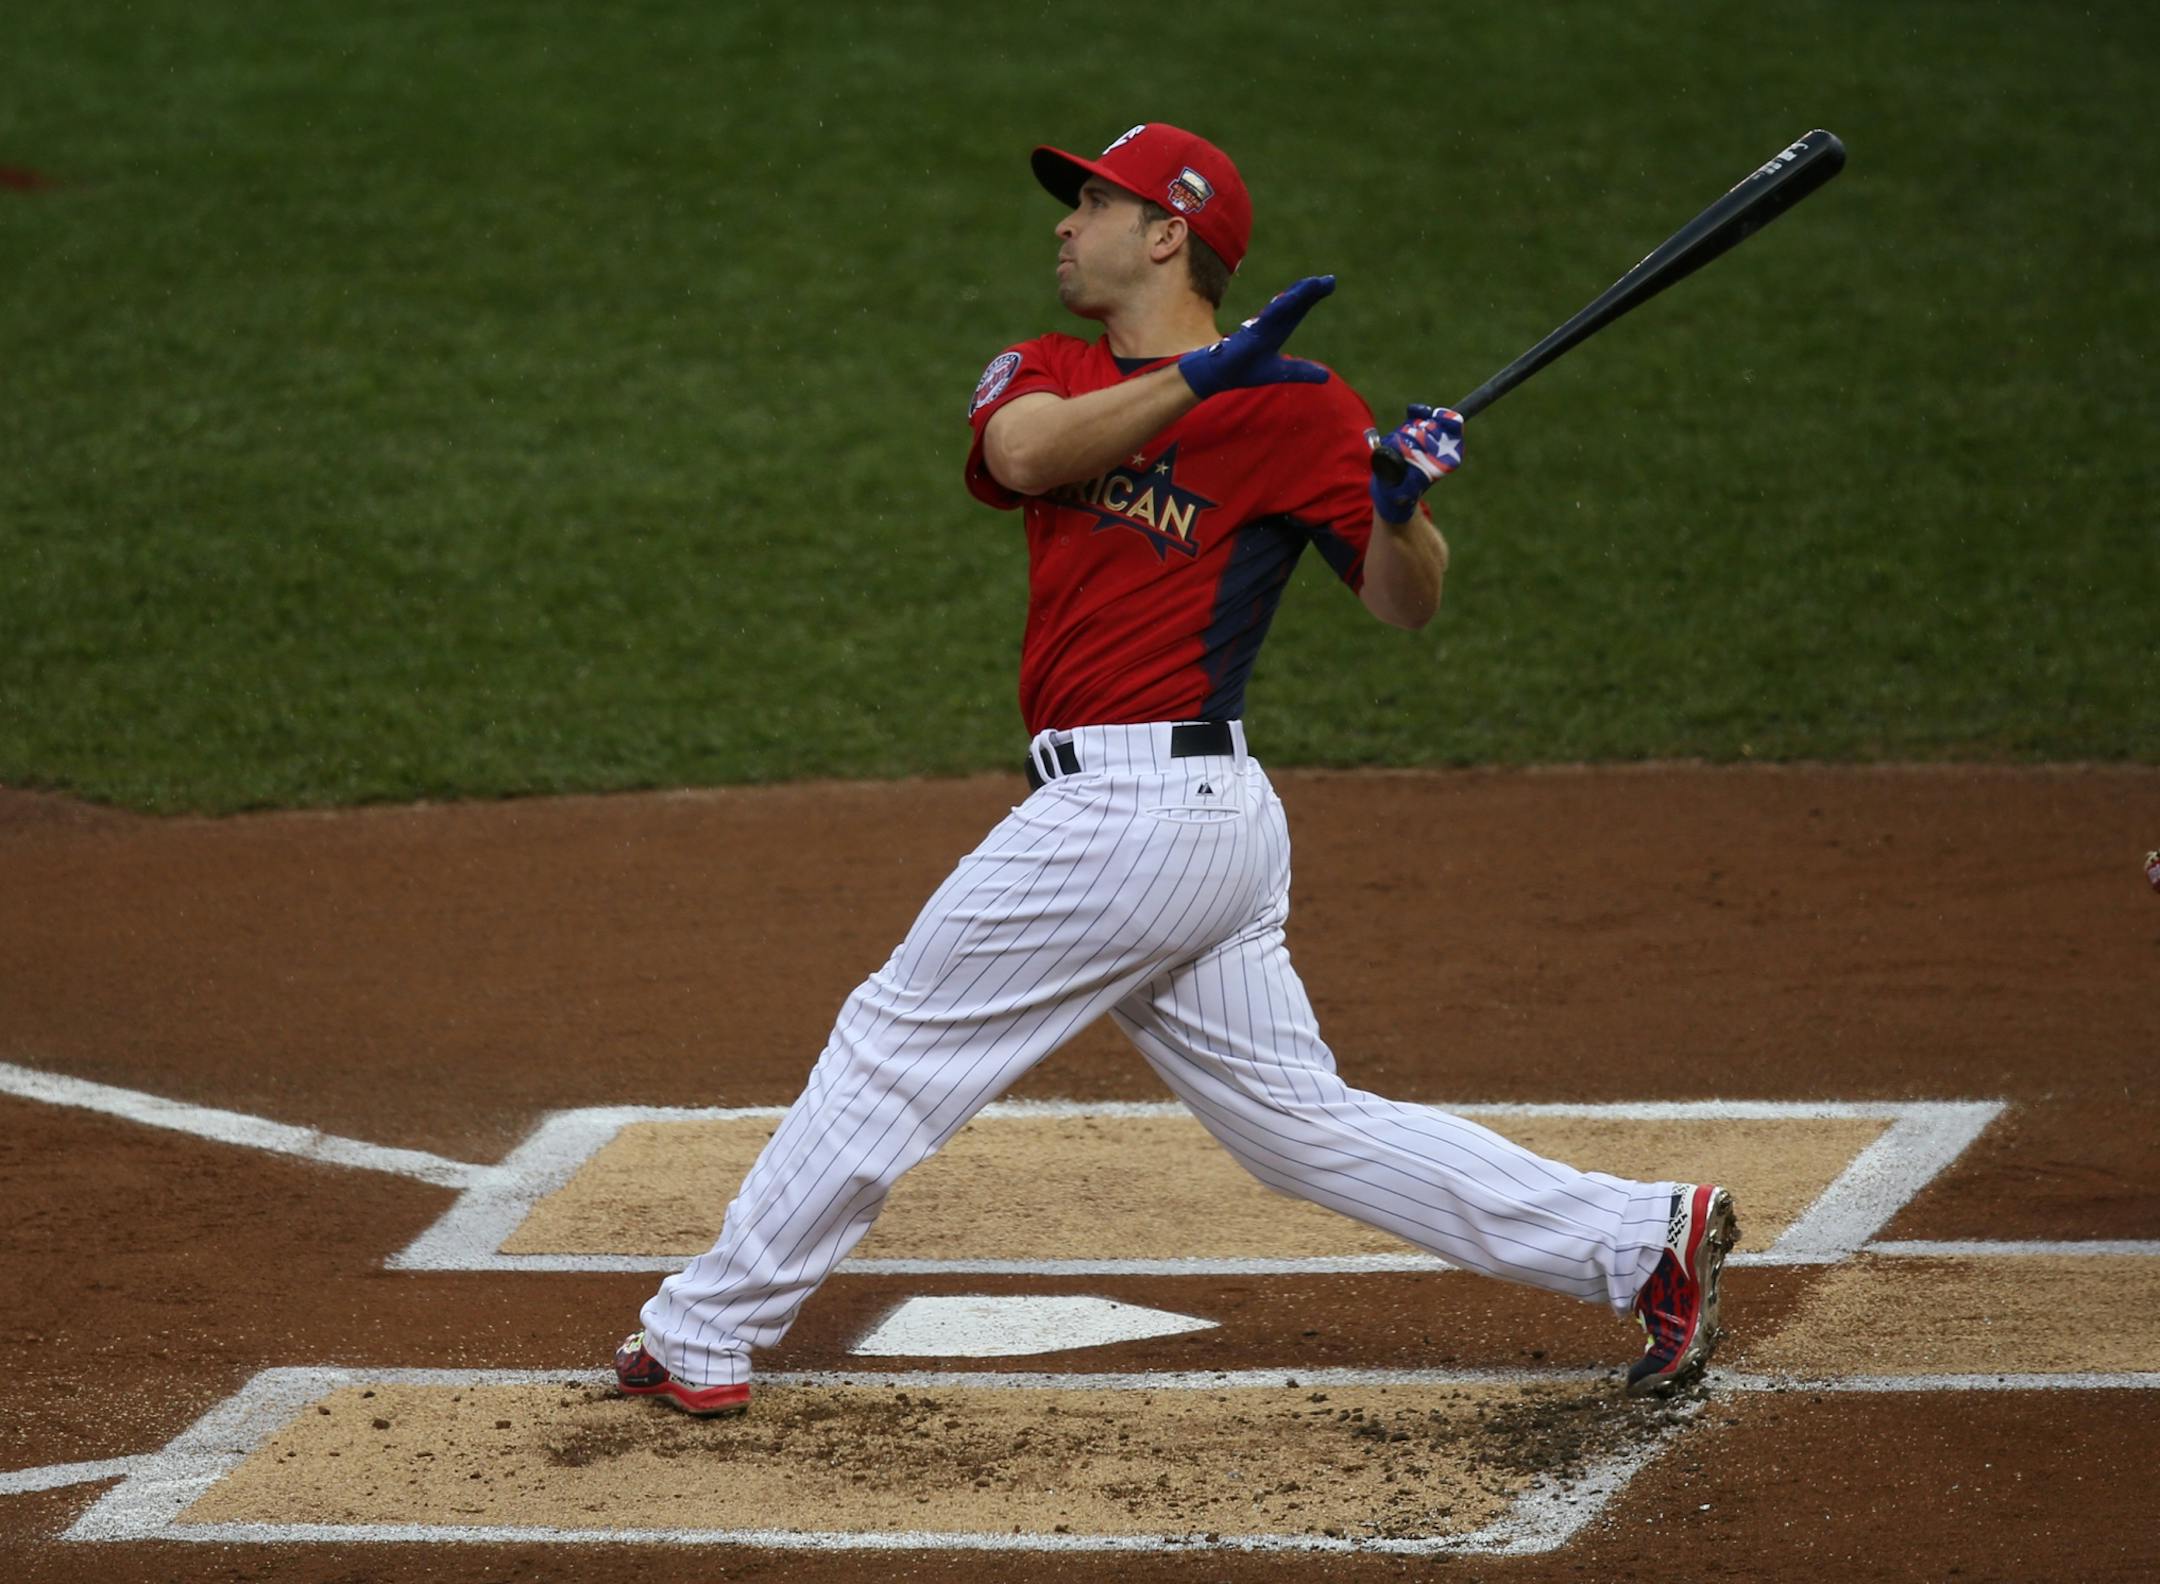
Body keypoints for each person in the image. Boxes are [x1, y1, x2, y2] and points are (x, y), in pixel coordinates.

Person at [614, 123, 1737, 1417]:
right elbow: (1028, 456)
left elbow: (1401, 606)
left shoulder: (1301, 406)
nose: (1061, 223)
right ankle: (1642, 1239)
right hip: (1166, 824)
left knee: (894, 1043)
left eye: (1090, 200)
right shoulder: (1047, 370)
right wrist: (1209, 374)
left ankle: (706, 1326)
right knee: (1296, 1130)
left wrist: (1399, 505)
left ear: (1167, 232)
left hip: (1148, 809)